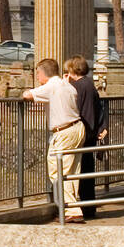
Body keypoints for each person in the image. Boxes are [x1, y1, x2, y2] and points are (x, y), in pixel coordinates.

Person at [24, 58, 87, 223]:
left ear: (44, 73)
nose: (37, 76)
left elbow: (27, 95)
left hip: (64, 131)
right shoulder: (67, 85)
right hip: (77, 128)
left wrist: (28, 92)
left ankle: (72, 209)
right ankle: (71, 207)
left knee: (58, 170)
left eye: (38, 73)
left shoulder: (51, 86)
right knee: (72, 171)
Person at [66, 56, 106, 217]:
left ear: (73, 70)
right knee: (87, 172)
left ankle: (79, 207)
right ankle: (89, 207)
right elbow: (99, 109)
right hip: (91, 132)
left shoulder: (77, 87)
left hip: (81, 133)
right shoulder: (90, 85)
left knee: (77, 170)